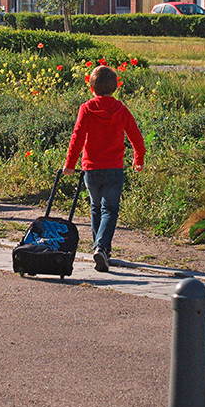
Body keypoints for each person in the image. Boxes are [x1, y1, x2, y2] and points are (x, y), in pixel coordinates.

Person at [63, 65, 145, 273]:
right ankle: (102, 247)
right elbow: (135, 136)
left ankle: (99, 249)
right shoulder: (121, 110)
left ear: (92, 88)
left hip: (91, 167)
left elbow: (77, 137)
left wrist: (70, 165)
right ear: (115, 87)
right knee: (110, 209)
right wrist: (138, 158)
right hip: (114, 168)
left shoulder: (87, 108)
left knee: (95, 207)